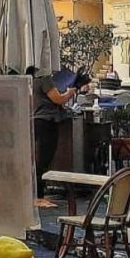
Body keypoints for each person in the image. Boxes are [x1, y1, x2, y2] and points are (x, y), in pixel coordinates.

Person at [32, 70, 87, 207]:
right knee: (44, 159)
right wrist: (71, 91)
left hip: (37, 120)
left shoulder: (32, 79)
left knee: (39, 159)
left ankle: (37, 195)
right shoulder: (44, 79)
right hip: (46, 121)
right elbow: (58, 98)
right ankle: (38, 197)